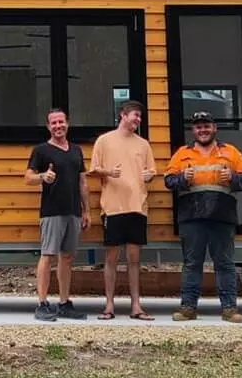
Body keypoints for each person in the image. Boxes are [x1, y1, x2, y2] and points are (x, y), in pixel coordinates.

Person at [164, 110, 242, 323]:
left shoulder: (231, 152)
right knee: (192, 264)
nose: (203, 130)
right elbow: (168, 181)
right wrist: (182, 178)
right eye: (198, 126)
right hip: (192, 217)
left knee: (225, 264)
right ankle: (188, 308)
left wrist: (232, 178)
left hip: (222, 216)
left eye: (206, 126)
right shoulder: (182, 154)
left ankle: (230, 309)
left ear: (214, 128)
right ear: (193, 130)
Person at [89, 99, 157, 321]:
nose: (138, 119)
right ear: (123, 115)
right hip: (113, 207)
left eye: (140, 116)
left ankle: (136, 305)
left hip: (137, 206)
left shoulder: (143, 144)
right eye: (135, 115)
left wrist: (149, 175)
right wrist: (109, 172)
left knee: (134, 259)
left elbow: (151, 171)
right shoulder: (104, 141)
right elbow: (93, 170)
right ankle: (109, 305)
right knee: (111, 258)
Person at [25, 107, 90, 321]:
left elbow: (82, 181)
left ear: (67, 124)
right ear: (48, 126)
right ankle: (42, 304)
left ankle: (64, 303)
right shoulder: (41, 150)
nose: (58, 126)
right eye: (53, 123)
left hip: (73, 211)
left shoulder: (76, 151)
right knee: (48, 255)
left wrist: (86, 210)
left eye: (61, 122)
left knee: (67, 258)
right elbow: (28, 177)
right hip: (51, 211)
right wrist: (43, 176)